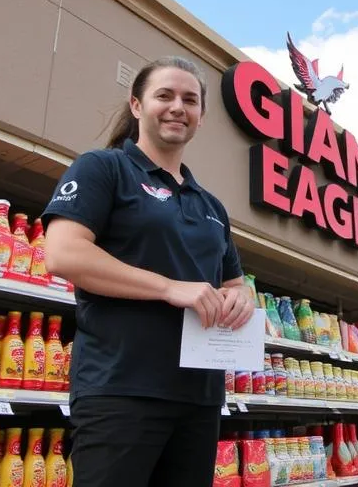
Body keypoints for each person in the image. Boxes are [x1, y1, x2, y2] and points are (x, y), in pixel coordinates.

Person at [43, 56, 256, 487]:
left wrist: (241, 299)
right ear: (137, 105)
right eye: (165, 95)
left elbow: (235, 283)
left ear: (201, 117)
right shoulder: (104, 168)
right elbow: (63, 254)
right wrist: (169, 288)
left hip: (199, 398)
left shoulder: (210, 206)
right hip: (121, 389)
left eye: (190, 100)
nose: (179, 106)